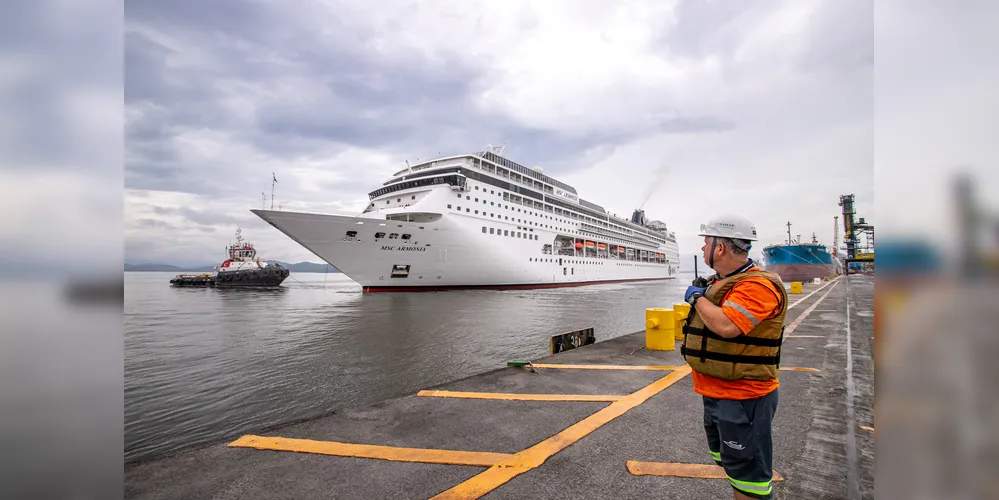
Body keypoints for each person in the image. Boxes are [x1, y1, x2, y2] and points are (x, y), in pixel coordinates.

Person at [681, 214, 788, 500]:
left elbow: (727, 326)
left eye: (706, 243)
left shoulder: (758, 286)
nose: (702, 249)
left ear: (720, 248)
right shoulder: (725, 282)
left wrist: (697, 298)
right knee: (732, 465)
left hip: (744, 397)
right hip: (718, 394)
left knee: (748, 478)